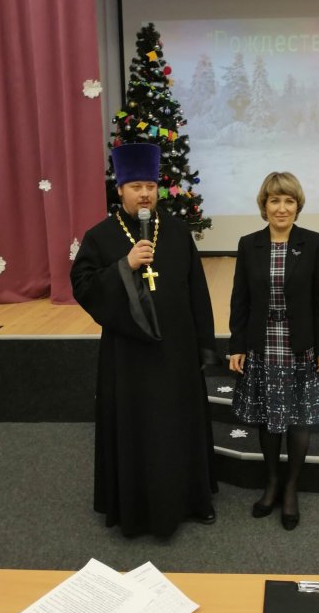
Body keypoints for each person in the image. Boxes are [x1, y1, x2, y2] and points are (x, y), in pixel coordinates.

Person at [71, 142, 218, 538]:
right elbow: (83, 286)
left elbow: (197, 290)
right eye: (136, 186)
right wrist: (126, 265)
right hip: (129, 357)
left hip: (177, 351)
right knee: (138, 429)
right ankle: (135, 511)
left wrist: (204, 344)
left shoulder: (177, 231)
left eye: (150, 186)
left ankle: (192, 501)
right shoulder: (100, 236)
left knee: (178, 426)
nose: (145, 194)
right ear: (120, 189)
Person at [229, 171, 319, 530]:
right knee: (268, 417)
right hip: (262, 344)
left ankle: (291, 488)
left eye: (289, 201)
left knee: (298, 419)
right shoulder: (249, 244)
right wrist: (236, 345)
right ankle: (272, 482)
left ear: (297, 205)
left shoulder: (313, 243)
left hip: (299, 344)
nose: (282, 208)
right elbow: (240, 300)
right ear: (264, 205)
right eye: (275, 200)